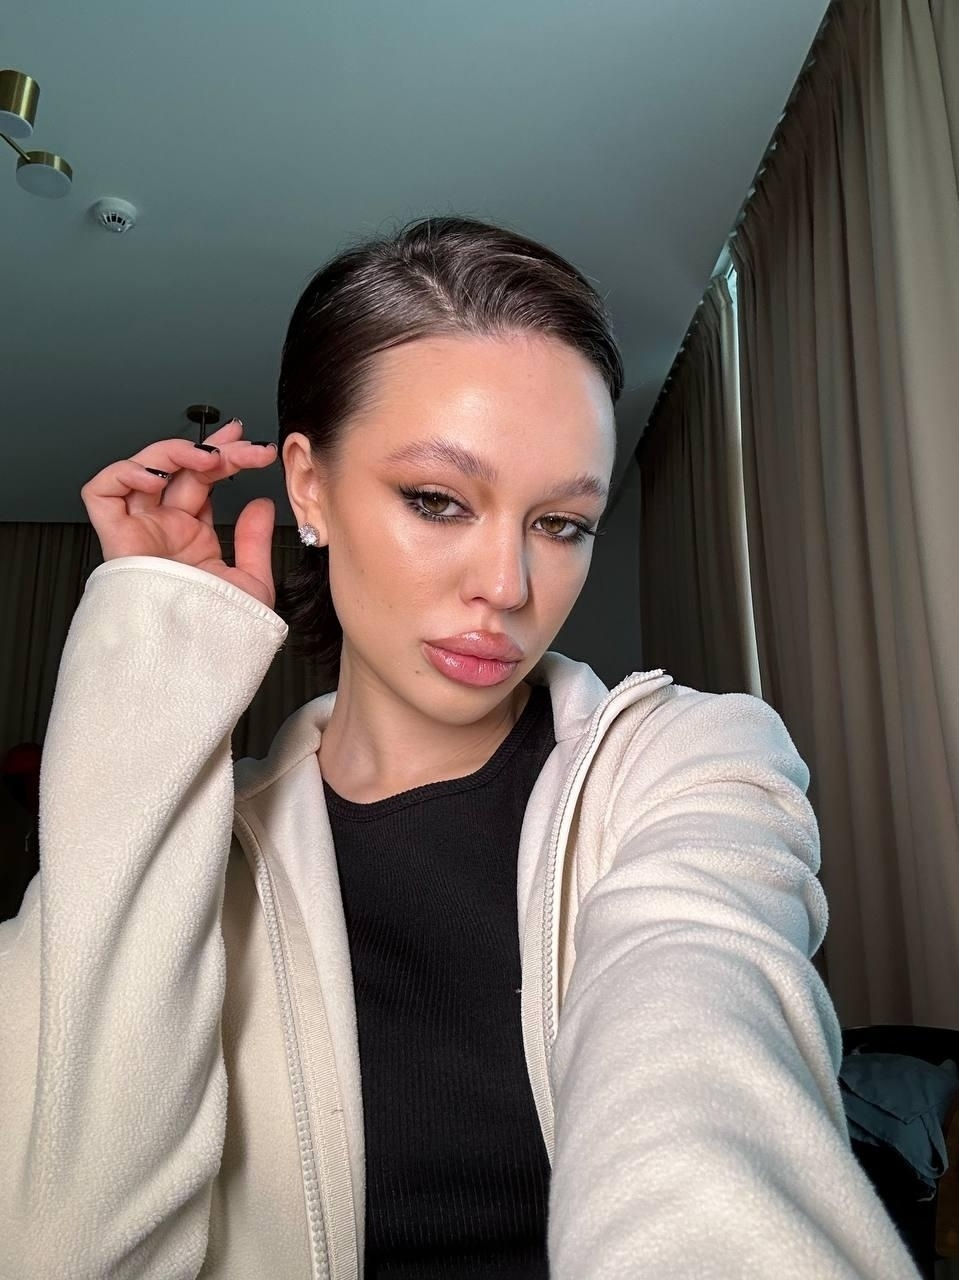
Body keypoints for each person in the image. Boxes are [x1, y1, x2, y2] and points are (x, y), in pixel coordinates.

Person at [0, 216, 922, 1280]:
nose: (507, 586)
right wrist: (152, 679)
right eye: (437, 501)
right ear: (308, 486)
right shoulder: (205, 850)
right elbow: (62, 1237)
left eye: (560, 523)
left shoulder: (690, 761)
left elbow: (703, 1065)